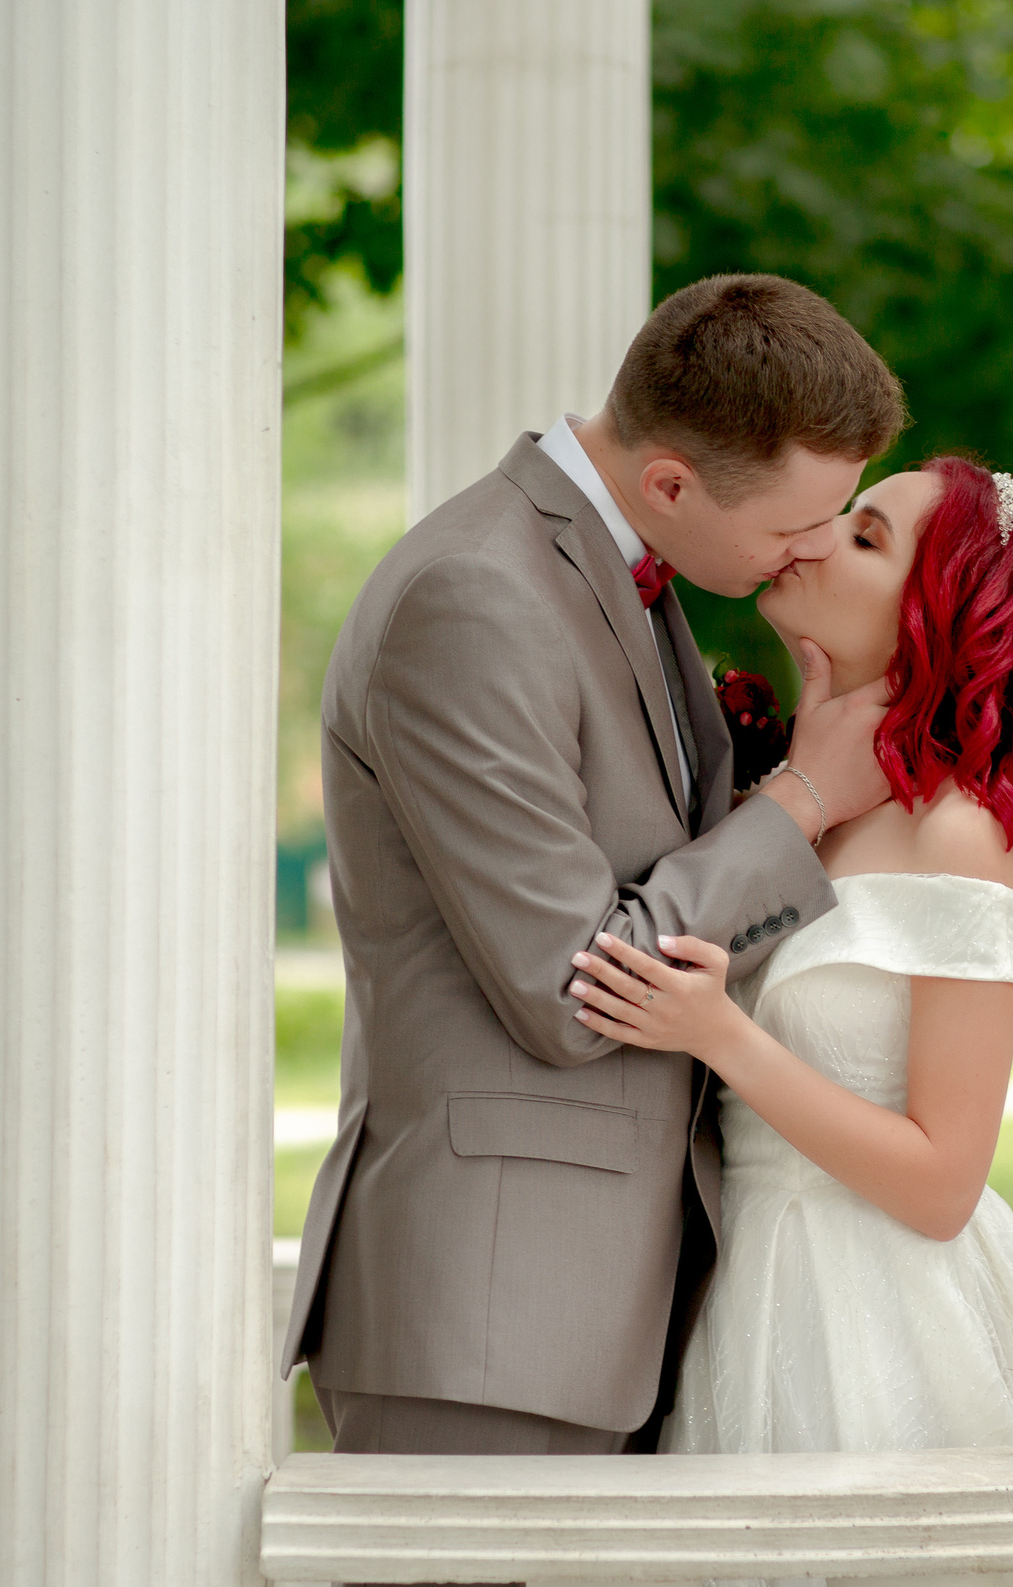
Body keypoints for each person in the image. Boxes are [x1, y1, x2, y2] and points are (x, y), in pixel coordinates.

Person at [278, 273, 910, 1464]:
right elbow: (573, 984)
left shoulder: (603, 570)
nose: (816, 551)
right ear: (670, 481)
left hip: (598, 1311)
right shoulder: (475, 595)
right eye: (792, 529)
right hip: (486, 1315)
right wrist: (805, 798)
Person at [566, 456, 1013, 1457]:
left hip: (877, 1309)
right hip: (736, 1282)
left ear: (937, 611)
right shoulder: (772, 800)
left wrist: (721, 1034)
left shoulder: (958, 832)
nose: (814, 538)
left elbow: (943, 1186)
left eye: (864, 537)